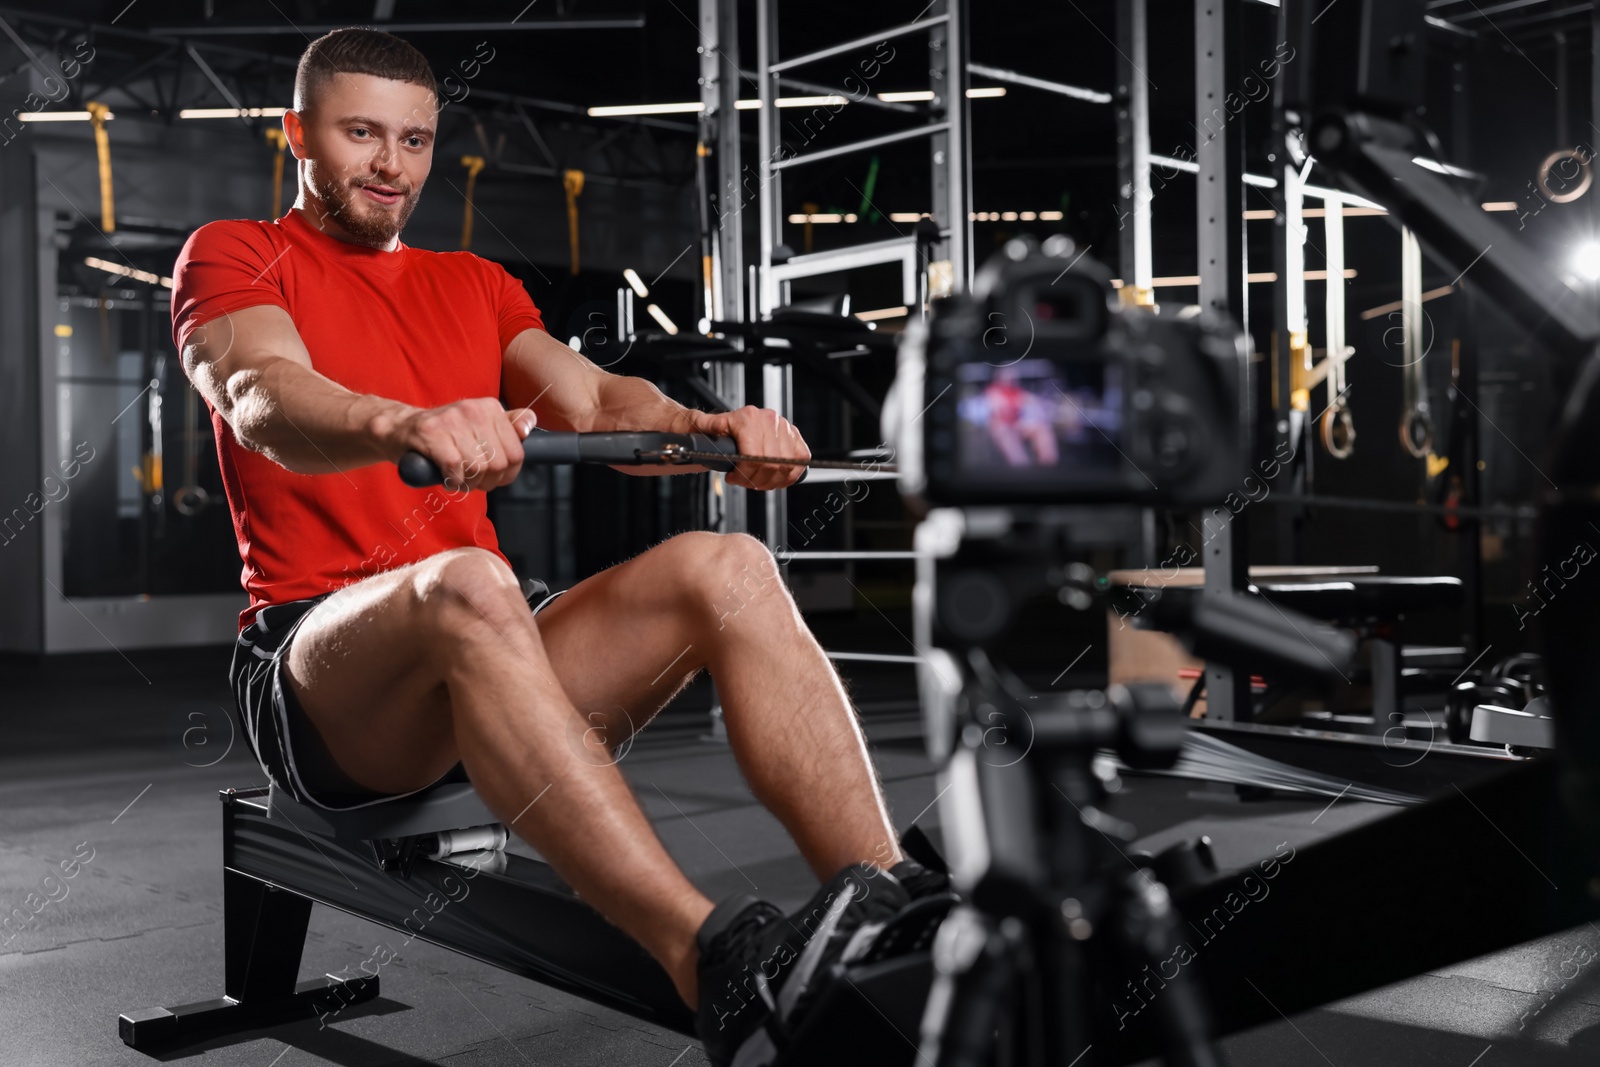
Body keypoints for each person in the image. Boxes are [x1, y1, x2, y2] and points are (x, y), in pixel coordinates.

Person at [171, 27, 947, 1066]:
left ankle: (895, 914)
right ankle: (711, 957)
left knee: (728, 566)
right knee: (469, 580)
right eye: (361, 133)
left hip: (488, 633)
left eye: (413, 139)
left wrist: (706, 427)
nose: (391, 164)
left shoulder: (475, 284)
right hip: (319, 675)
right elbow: (260, 391)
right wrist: (401, 421)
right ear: (298, 133)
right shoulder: (235, 252)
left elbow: (591, 400)